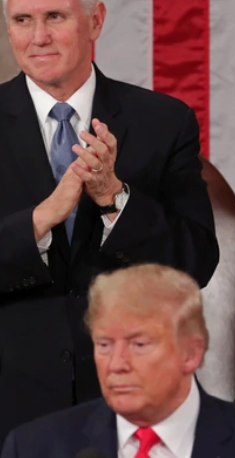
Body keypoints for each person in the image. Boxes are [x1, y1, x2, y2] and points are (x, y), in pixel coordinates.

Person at [0, 0, 219, 446]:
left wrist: (113, 197)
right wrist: (42, 219)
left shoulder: (164, 121)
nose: (37, 37)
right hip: (10, 400)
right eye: (23, 20)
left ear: (95, 20)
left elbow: (194, 263)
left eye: (54, 17)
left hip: (130, 397)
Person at [0, 264, 235, 458]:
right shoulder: (33, 449)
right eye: (104, 344)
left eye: (139, 344)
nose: (117, 364)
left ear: (192, 353)